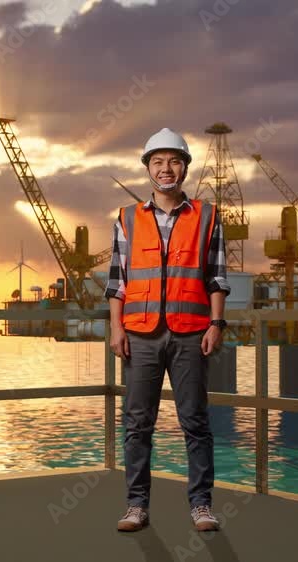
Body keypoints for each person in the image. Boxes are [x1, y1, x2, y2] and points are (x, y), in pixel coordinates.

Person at [104, 127, 230, 532]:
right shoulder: (126, 218)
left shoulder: (207, 216)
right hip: (139, 334)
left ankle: (201, 505)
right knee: (137, 423)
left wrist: (216, 323)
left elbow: (217, 277)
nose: (166, 168)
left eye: (174, 161)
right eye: (157, 161)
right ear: (147, 169)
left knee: (195, 420)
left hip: (192, 332)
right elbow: (116, 282)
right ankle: (136, 506)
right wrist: (116, 329)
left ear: (185, 167)